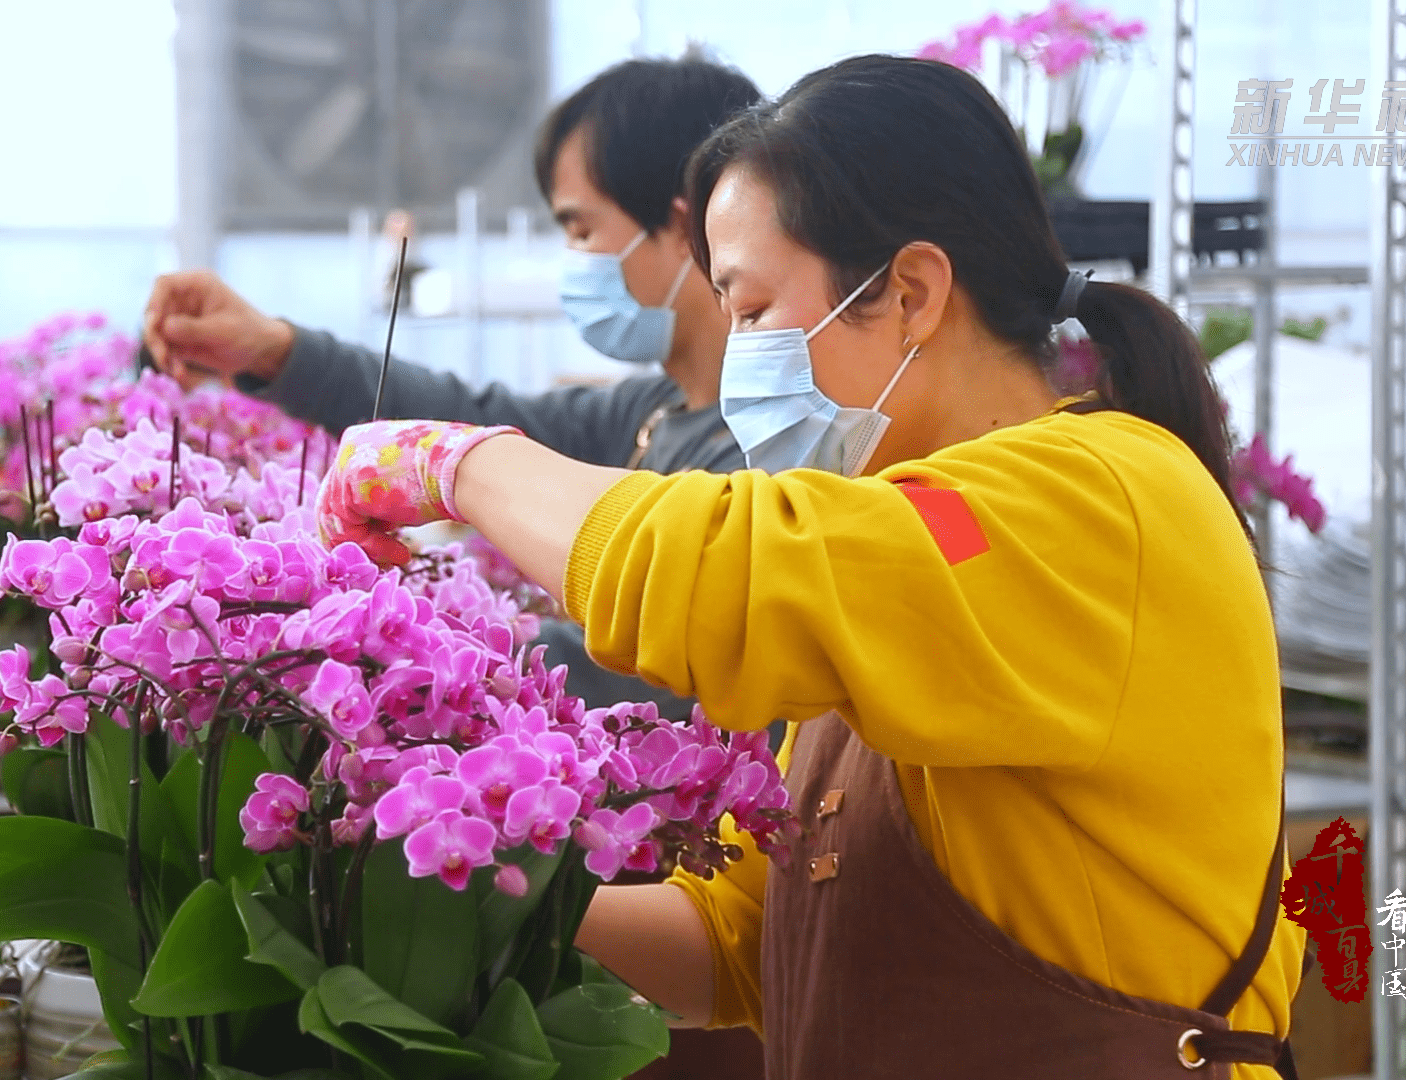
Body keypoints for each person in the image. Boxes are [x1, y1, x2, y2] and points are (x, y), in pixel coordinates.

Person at [310, 55, 1304, 1080]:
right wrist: (439, 906)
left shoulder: (1089, 498)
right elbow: (749, 936)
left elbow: (719, 572)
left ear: (911, 294)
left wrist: (456, 461)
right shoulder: (892, 547)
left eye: (749, 309)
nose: (737, 354)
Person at [141, 53, 759, 724]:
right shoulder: (653, 413)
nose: (571, 260)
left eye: (581, 229)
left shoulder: (766, 450)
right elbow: (472, 422)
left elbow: (635, 666)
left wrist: (384, 629)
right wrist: (276, 350)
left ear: (683, 224)